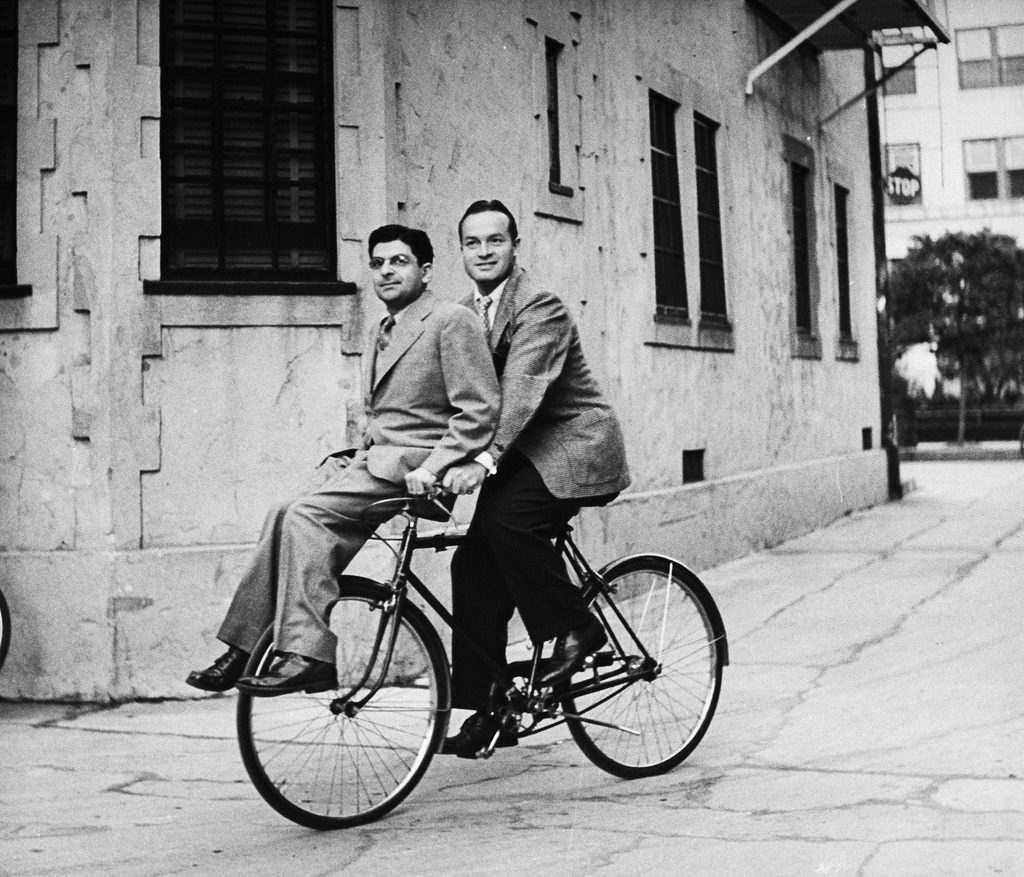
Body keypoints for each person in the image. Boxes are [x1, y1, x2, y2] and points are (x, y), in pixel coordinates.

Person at [185, 224, 499, 697]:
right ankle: (243, 646)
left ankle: (309, 653)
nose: (387, 271)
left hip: (414, 468)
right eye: (378, 263)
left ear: (426, 270)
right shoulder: (383, 328)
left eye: (400, 261)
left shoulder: (450, 319)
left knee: (308, 518)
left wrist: (434, 467)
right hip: (370, 460)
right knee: (281, 512)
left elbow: (478, 409)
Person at [439, 199, 631, 757]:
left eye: (494, 241)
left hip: (574, 444)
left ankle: (577, 628)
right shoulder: (460, 313)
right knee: (471, 564)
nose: (484, 252)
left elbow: (521, 391)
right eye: (472, 243)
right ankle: (488, 709)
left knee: (506, 523)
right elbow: (448, 398)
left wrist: (483, 458)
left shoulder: (539, 305)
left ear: (515, 246)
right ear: (462, 251)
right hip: (527, 454)